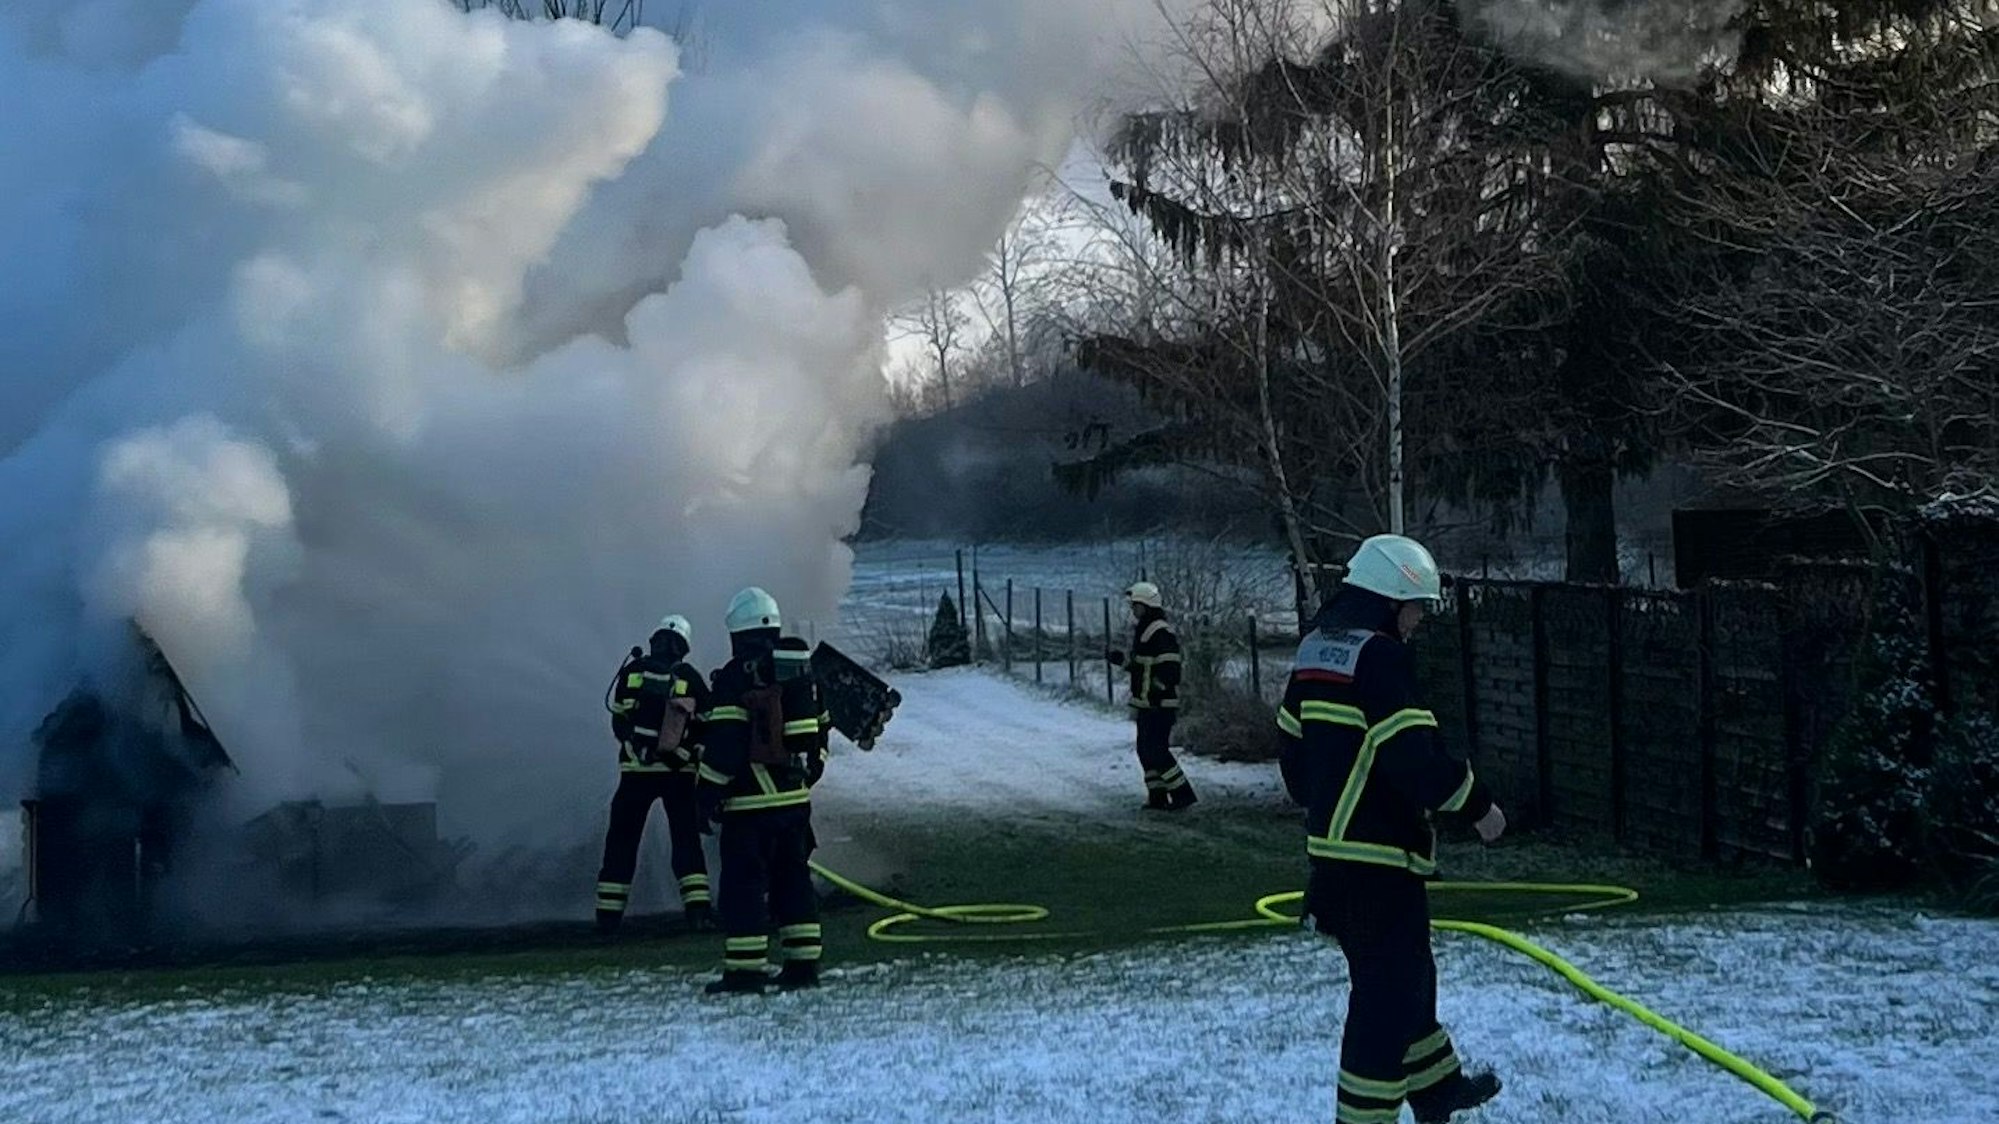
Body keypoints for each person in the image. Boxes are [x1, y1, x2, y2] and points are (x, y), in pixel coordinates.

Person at [1275, 535, 1509, 1124]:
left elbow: (1292, 753)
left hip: (1333, 859)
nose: (1420, 619)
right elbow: (1414, 759)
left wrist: (1327, 806)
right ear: (1388, 600)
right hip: (1378, 861)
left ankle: (1437, 1090)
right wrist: (1479, 806)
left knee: (1406, 977)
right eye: (1416, 606)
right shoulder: (1380, 658)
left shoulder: (1315, 650)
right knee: (1385, 997)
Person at [696, 587, 831, 995]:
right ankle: (803, 966)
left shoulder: (736, 676)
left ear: (737, 633)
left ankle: (745, 971)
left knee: (744, 885)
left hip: (749, 807)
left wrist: (705, 794)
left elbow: (726, 745)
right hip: (794, 805)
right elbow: (821, 729)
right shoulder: (801, 671)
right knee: (794, 881)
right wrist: (807, 774)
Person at [597, 614, 712, 933]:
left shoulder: (631, 672)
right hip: (679, 775)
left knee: (621, 843)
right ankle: (698, 912)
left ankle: (608, 918)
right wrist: (686, 754)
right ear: (684, 647)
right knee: (687, 841)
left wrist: (638, 749)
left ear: (654, 640)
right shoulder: (689, 677)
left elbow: (618, 721)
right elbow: (709, 723)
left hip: (635, 773)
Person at [1106, 581, 1197, 811]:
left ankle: (1182, 794)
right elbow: (1141, 668)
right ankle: (1157, 796)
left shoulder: (1159, 632)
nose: (1133, 610)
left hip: (1160, 704)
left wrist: (1157, 691)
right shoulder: (1145, 631)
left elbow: (1170, 670)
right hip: (1147, 703)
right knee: (1145, 751)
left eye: (1136, 605)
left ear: (1146, 605)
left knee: (1156, 751)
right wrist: (1121, 661)